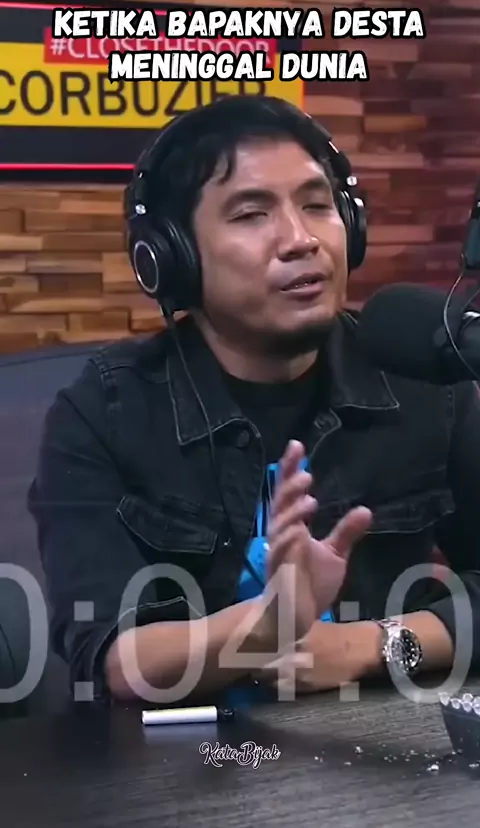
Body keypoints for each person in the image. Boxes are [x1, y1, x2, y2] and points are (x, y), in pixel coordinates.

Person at [28, 94, 480, 705]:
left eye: (317, 205)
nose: (300, 239)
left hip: (378, 748)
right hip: (190, 758)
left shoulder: (425, 383)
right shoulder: (103, 411)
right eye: (250, 214)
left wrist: (369, 646)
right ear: (172, 258)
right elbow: (111, 658)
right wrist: (265, 626)